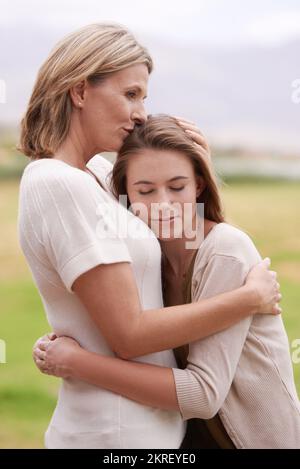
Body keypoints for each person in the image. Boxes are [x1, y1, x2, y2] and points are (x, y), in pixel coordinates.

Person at [18, 23, 280, 449]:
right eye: (131, 94)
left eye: (144, 98)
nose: (141, 112)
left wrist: (196, 171)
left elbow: (176, 239)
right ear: (80, 92)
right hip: (113, 432)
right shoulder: (56, 182)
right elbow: (130, 334)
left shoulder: (98, 175)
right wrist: (247, 299)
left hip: (153, 428)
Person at [34, 115, 300, 449]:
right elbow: (130, 331)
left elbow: (202, 394)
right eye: (145, 191)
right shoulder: (146, 257)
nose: (163, 205)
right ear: (125, 196)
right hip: (186, 442)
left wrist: (76, 363)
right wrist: (58, 342)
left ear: (199, 185)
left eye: (177, 187)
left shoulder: (225, 252)